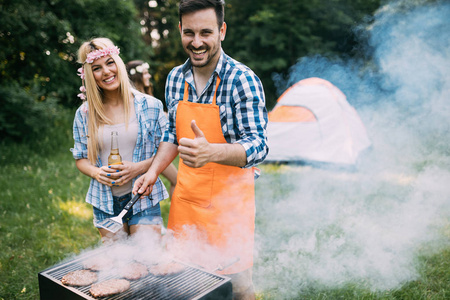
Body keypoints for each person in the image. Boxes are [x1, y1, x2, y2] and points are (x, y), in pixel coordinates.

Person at [133, 1, 268, 298]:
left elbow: (259, 145)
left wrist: (213, 152)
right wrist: (154, 172)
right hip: (187, 198)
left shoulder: (241, 80)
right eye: (189, 32)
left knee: (239, 286)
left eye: (206, 32)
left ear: (222, 31)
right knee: (183, 279)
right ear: (180, 30)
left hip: (229, 205)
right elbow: (172, 133)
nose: (196, 42)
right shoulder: (174, 79)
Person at [71, 37, 174, 243]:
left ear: (118, 63)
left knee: (147, 263)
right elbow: (81, 158)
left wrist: (138, 168)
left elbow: (168, 148)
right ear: (89, 75)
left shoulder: (150, 105)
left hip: (144, 197)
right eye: (97, 68)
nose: (107, 72)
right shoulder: (84, 114)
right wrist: (96, 172)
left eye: (110, 63)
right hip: (104, 202)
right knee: (118, 267)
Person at [126, 60, 178, 198]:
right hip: (149, 153)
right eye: (145, 73)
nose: (149, 76)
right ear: (137, 76)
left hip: (157, 150)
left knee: (176, 180)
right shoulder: (134, 99)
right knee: (176, 180)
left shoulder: (148, 96)